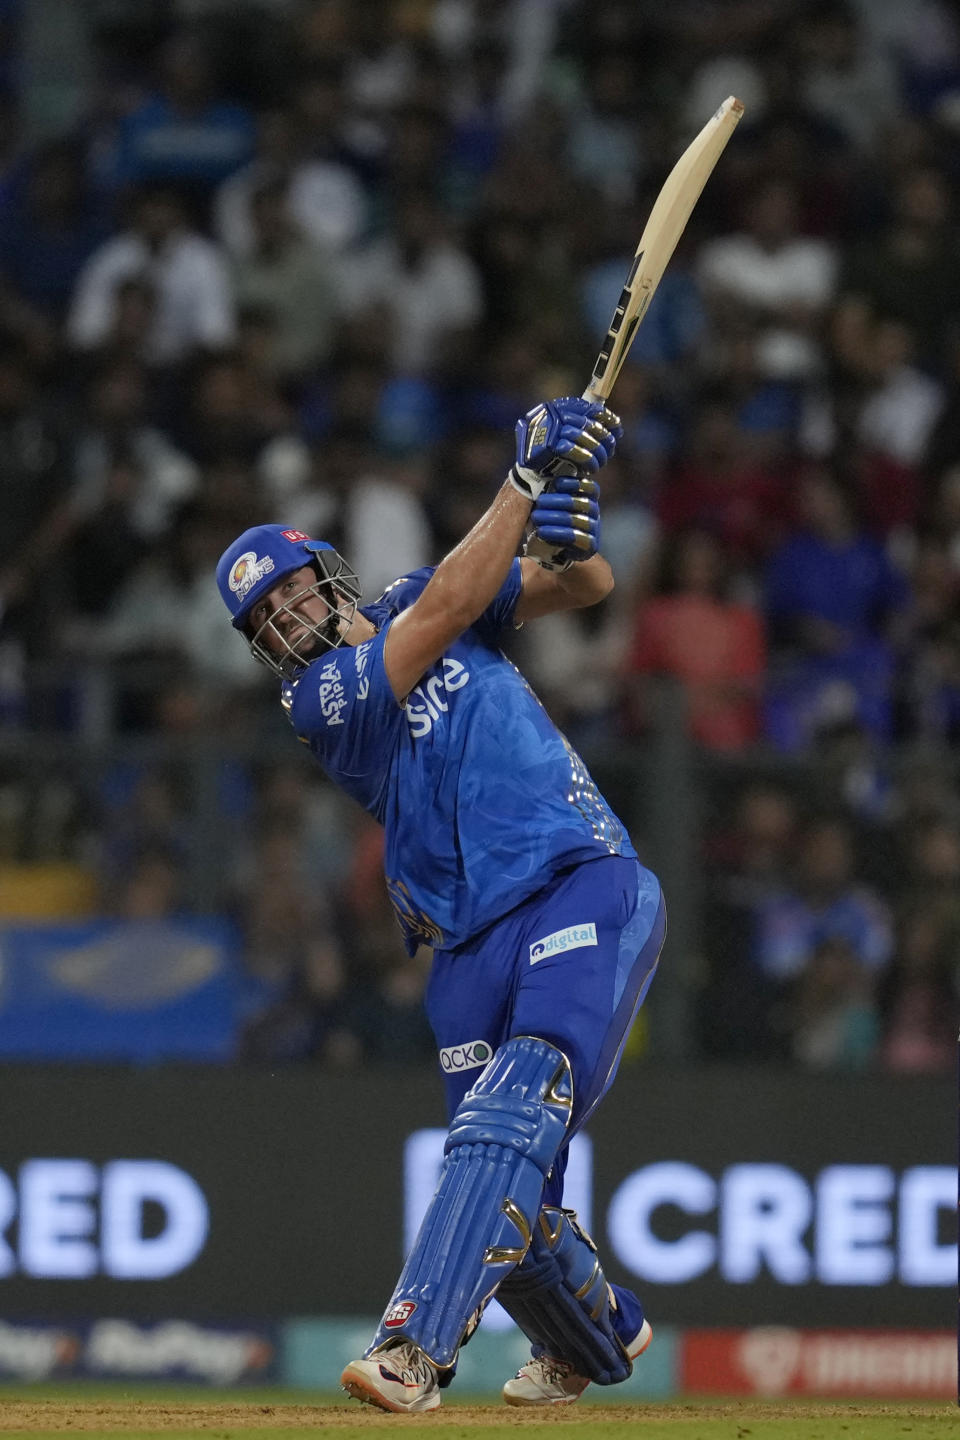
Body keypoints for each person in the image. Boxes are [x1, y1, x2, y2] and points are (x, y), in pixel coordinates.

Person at [216, 396, 666, 1412]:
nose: (287, 623)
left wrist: (568, 520)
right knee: (507, 1183)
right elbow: (446, 613)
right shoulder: (320, 702)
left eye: (291, 594)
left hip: (577, 879)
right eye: (266, 622)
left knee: (514, 1110)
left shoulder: (429, 591)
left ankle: (412, 1353)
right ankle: (605, 1335)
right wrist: (523, 481)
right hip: (465, 943)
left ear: (329, 574)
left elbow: (585, 585)